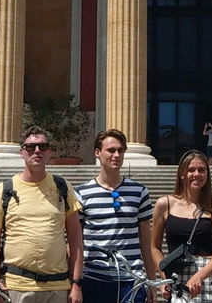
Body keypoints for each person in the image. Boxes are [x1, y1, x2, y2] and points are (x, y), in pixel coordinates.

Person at [0, 126, 84, 303]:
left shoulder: (63, 187)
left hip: (57, 287)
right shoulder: (5, 190)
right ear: (21, 152)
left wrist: (76, 284)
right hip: (16, 286)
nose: (37, 151)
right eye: (31, 147)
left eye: (42, 146)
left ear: (49, 152)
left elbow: (76, 239)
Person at [77, 129, 157, 303]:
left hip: (132, 279)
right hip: (94, 278)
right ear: (97, 153)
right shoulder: (81, 193)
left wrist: (152, 282)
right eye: (111, 150)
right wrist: (75, 282)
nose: (116, 155)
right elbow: (76, 242)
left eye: (121, 150)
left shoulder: (139, 192)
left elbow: (145, 241)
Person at [150, 150, 212, 303]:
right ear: (182, 173)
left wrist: (199, 276)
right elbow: (154, 247)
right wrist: (164, 275)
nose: (196, 174)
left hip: (209, 277)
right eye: (191, 170)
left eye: (201, 170)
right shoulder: (164, 204)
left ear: (207, 174)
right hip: (178, 277)